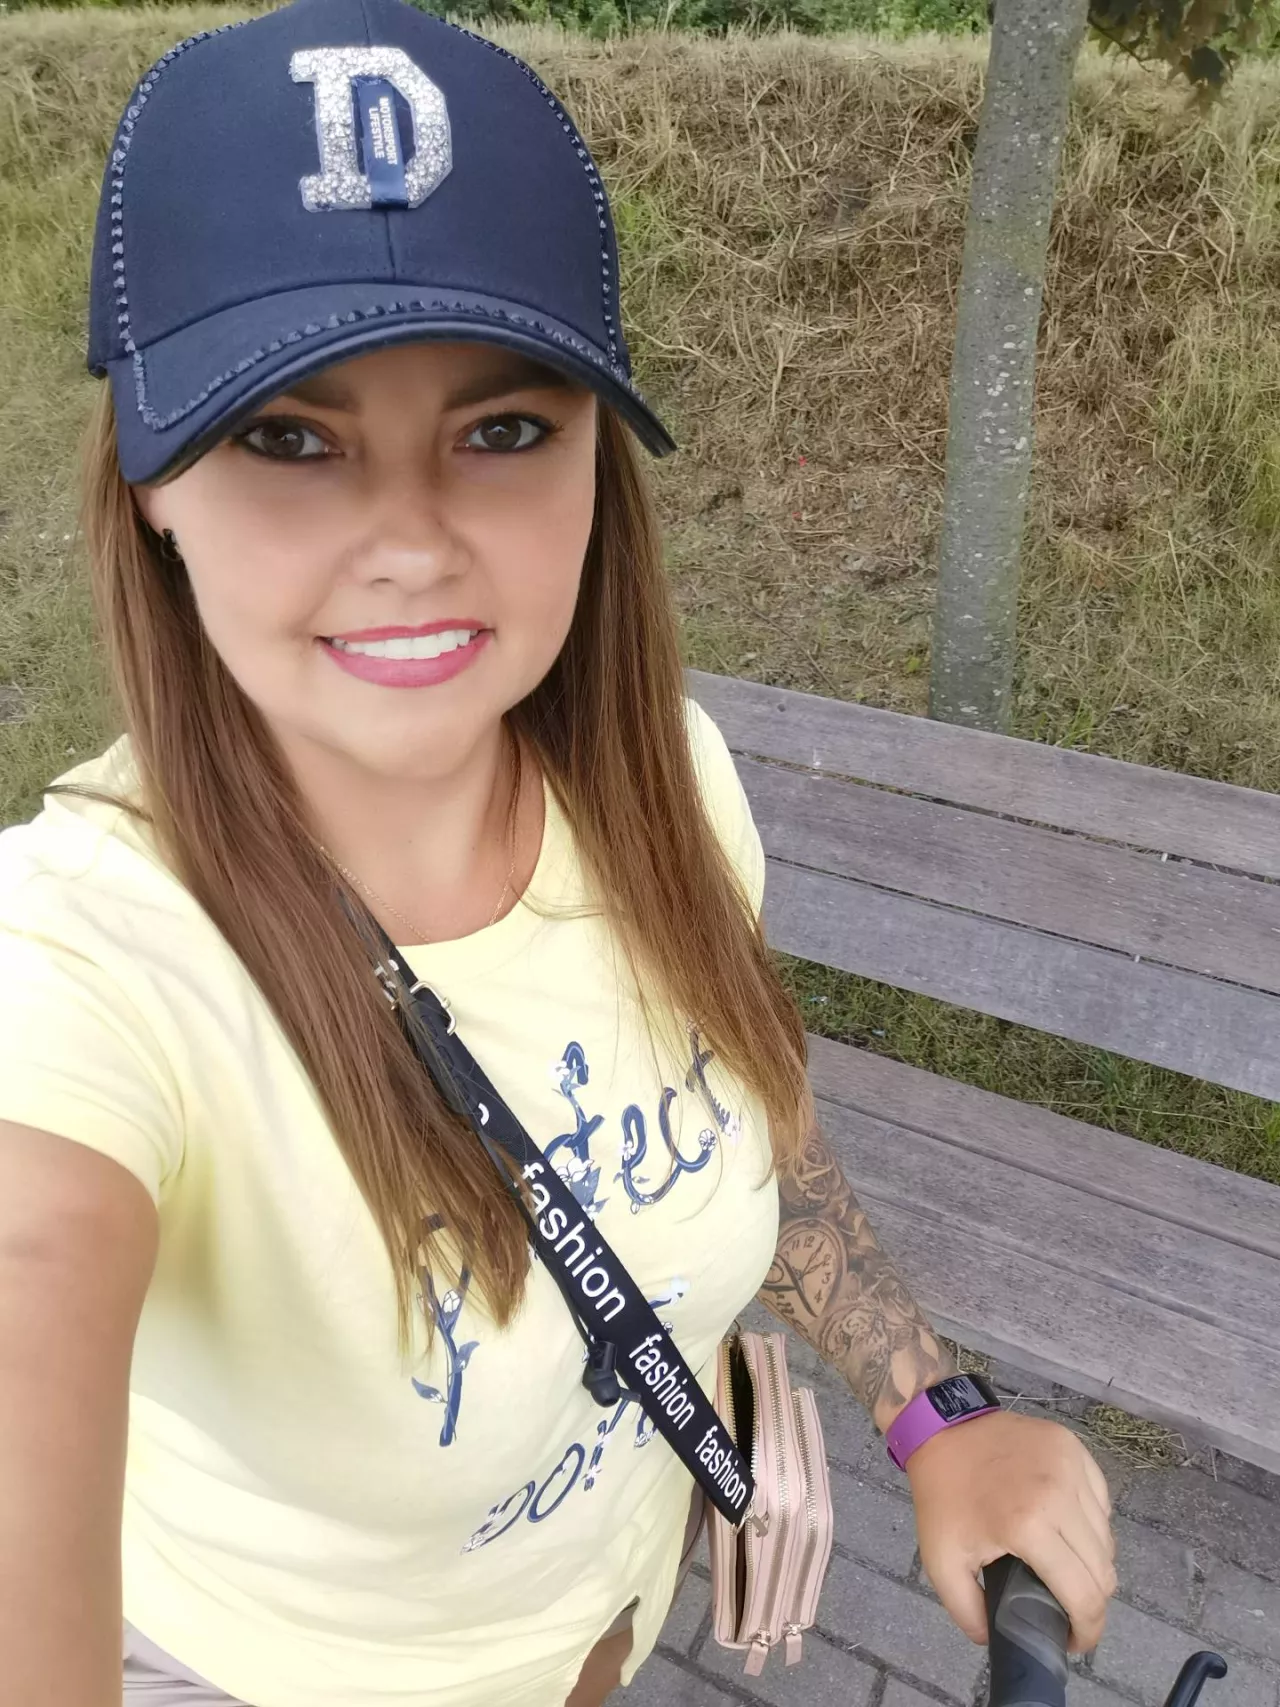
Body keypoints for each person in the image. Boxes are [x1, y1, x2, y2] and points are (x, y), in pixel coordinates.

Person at [0, 0, 1117, 1702]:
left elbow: (755, 1113)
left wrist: (932, 1409)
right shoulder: (87, 966)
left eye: (505, 428)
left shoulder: (669, 787)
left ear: (598, 456)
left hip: (601, 1628)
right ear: (150, 480)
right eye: (288, 436)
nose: (410, 541)